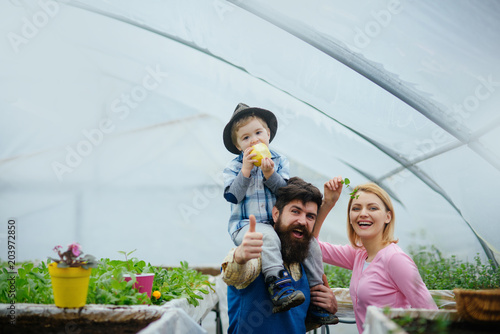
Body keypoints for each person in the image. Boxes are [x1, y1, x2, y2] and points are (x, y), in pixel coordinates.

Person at [222, 103, 336, 323]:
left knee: (311, 244)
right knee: (268, 236)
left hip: (273, 227)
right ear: (238, 147)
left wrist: (269, 173)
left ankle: (316, 295)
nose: (254, 140)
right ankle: (278, 286)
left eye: (258, 133)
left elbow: (284, 193)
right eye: (245, 138)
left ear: (268, 134)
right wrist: (246, 171)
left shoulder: (279, 161)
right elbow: (233, 196)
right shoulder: (234, 167)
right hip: (246, 226)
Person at [313, 178, 438, 333]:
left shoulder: (395, 259)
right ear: (350, 218)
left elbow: (431, 313)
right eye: (356, 208)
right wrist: (328, 203)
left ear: (388, 217)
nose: (363, 214)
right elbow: (312, 246)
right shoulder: (359, 255)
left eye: (372, 208)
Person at [221, 177, 338, 333]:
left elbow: (296, 322)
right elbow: (232, 274)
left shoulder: (306, 263)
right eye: (295, 211)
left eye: (310, 216)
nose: (303, 221)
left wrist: (328, 305)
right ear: (276, 214)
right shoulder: (256, 253)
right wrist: (240, 256)